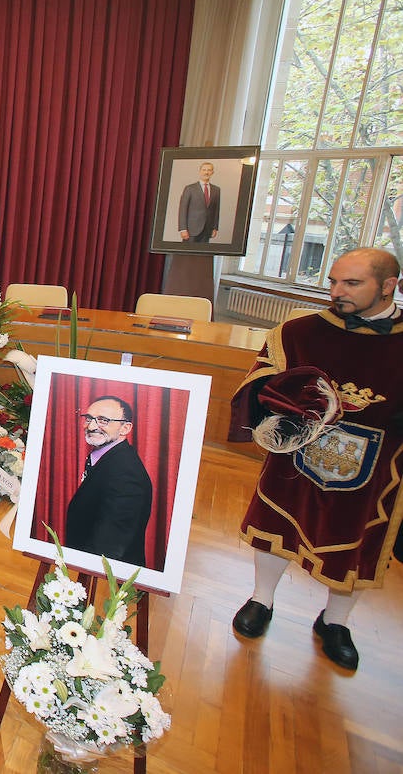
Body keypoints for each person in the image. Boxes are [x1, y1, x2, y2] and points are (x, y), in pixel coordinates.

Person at [229, 247, 403, 671]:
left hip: (375, 467)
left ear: (388, 286)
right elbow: (260, 378)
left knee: (359, 540)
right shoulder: (300, 332)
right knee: (275, 524)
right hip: (299, 457)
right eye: (333, 282)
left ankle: (336, 623)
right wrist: (279, 398)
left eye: (351, 283)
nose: (337, 292)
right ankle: (261, 599)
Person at [64, 396, 153, 567]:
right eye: (89, 418)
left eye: (103, 420)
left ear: (125, 428)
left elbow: (109, 544)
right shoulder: (107, 455)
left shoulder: (127, 475)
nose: (91, 426)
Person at [177, 162, 220, 243]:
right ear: (200, 171)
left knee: (202, 254)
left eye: (209, 170)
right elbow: (183, 209)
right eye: (204, 170)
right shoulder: (190, 188)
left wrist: (215, 228)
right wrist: (183, 229)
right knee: (187, 253)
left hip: (207, 230)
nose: (206, 172)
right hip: (191, 230)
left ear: (212, 172)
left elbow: (216, 210)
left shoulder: (216, 190)